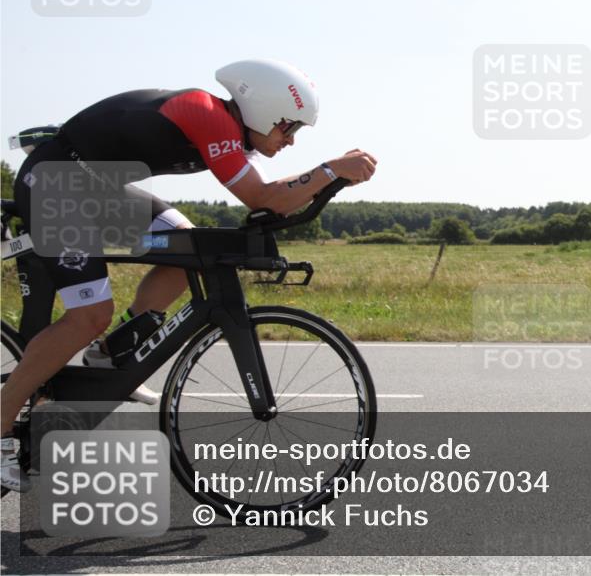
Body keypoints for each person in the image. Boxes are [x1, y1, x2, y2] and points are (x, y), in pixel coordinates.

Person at [0, 59, 377, 491]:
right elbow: (263, 197)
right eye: (287, 128)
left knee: (188, 246)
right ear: (263, 111)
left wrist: (329, 178)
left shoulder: (234, 134)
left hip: (98, 186)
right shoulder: (208, 116)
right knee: (89, 314)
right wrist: (330, 170)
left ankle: (111, 353)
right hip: (56, 186)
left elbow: (275, 198)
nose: (289, 141)